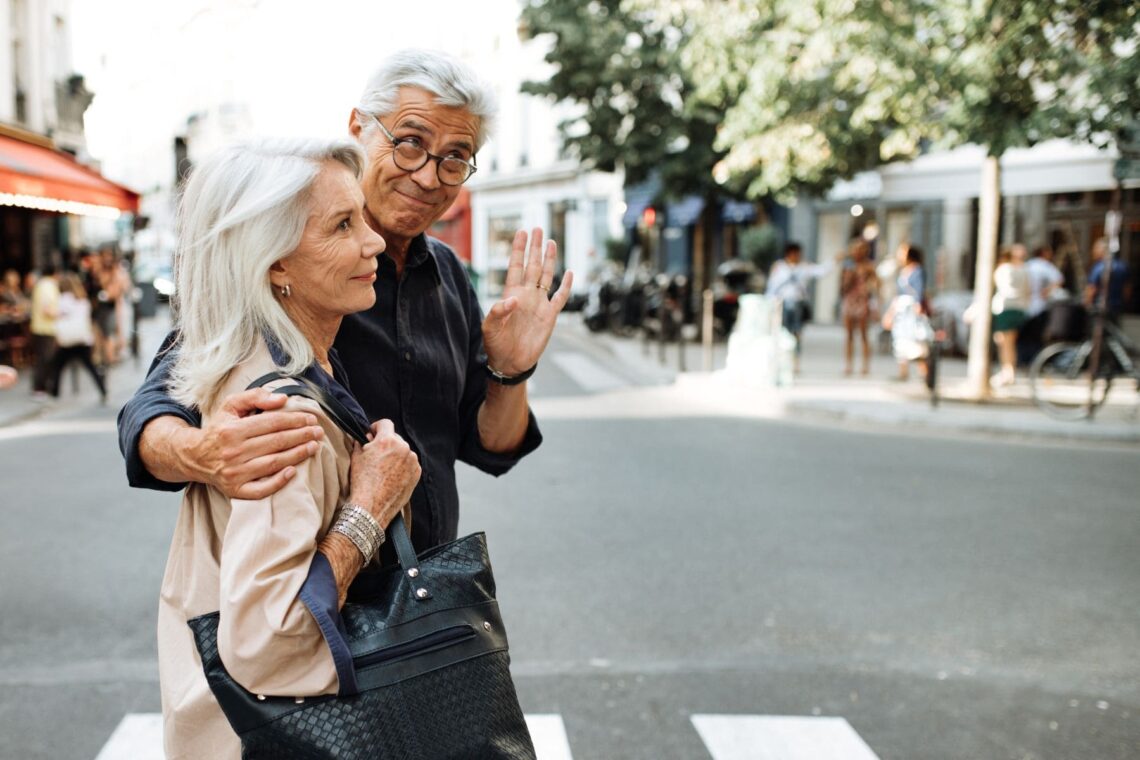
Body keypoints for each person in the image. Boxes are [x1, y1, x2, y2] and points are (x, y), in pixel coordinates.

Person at [118, 49, 571, 554]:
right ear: (359, 126)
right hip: (314, 595)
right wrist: (204, 452)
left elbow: (490, 444)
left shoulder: (448, 276)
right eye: (410, 143)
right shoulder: (293, 261)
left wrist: (510, 371)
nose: (427, 176)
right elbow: (152, 410)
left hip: (421, 605)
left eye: (454, 158)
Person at [156, 138, 423, 757]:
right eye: (342, 225)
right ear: (274, 264)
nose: (374, 241)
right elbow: (269, 644)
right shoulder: (282, 413)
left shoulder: (273, 369)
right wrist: (371, 509)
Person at [765, 241, 834, 372]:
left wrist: (833, 260)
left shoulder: (804, 267)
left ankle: (795, 362)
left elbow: (821, 271)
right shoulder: (779, 267)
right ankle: (780, 361)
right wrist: (769, 304)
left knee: (797, 333)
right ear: (789, 253)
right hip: (782, 305)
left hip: (798, 305)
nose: (798, 256)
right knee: (781, 333)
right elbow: (771, 287)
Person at [48, 272, 107, 403]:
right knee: (91, 367)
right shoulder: (82, 299)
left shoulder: (63, 299)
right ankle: (103, 390)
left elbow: (57, 314)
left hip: (68, 341)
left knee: (57, 366)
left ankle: (54, 393)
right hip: (83, 339)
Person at [882, 243, 929, 381]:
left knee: (916, 340)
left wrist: (918, 306)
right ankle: (903, 372)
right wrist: (890, 312)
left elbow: (920, 291)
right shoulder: (903, 271)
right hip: (901, 310)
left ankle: (925, 372)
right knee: (901, 339)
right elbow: (898, 294)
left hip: (912, 309)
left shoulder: (918, 270)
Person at [990, 244, 1030, 386]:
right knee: (1010, 342)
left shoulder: (1003, 269)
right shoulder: (1024, 269)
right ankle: (1009, 372)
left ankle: (1007, 372)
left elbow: (999, 289)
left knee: (1003, 342)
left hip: (1004, 307)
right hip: (1019, 308)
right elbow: (1028, 290)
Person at [839, 237, 880, 376]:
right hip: (849, 300)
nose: (858, 252)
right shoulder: (848, 266)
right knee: (849, 335)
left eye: (860, 249)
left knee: (864, 334)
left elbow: (876, 285)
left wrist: (875, 304)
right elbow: (842, 287)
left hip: (863, 301)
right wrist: (848, 277)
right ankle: (848, 365)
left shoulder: (869, 266)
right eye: (855, 249)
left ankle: (865, 366)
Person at [1020, 244, 1064, 362]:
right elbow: (1059, 280)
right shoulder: (1045, 266)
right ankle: (1034, 361)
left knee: (1024, 336)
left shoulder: (1027, 265)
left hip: (1025, 305)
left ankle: (1024, 360)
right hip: (1039, 306)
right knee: (1036, 336)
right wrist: (1046, 292)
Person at [1084, 237, 1132, 324]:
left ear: (1102, 250)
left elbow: (1092, 289)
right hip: (1117, 306)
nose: (1093, 251)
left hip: (1099, 307)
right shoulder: (1123, 266)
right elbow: (1127, 289)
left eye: (1095, 248)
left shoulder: (1099, 267)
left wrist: (1087, 304)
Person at [29, 263, 60, 397]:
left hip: (39, 326)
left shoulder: (40, 284)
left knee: (43, 357)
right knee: (46, 358)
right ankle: (40, 387)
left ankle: (42, 386)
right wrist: (61, 313)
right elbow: (46, 308)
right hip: (46, 327)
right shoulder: (49, 286)